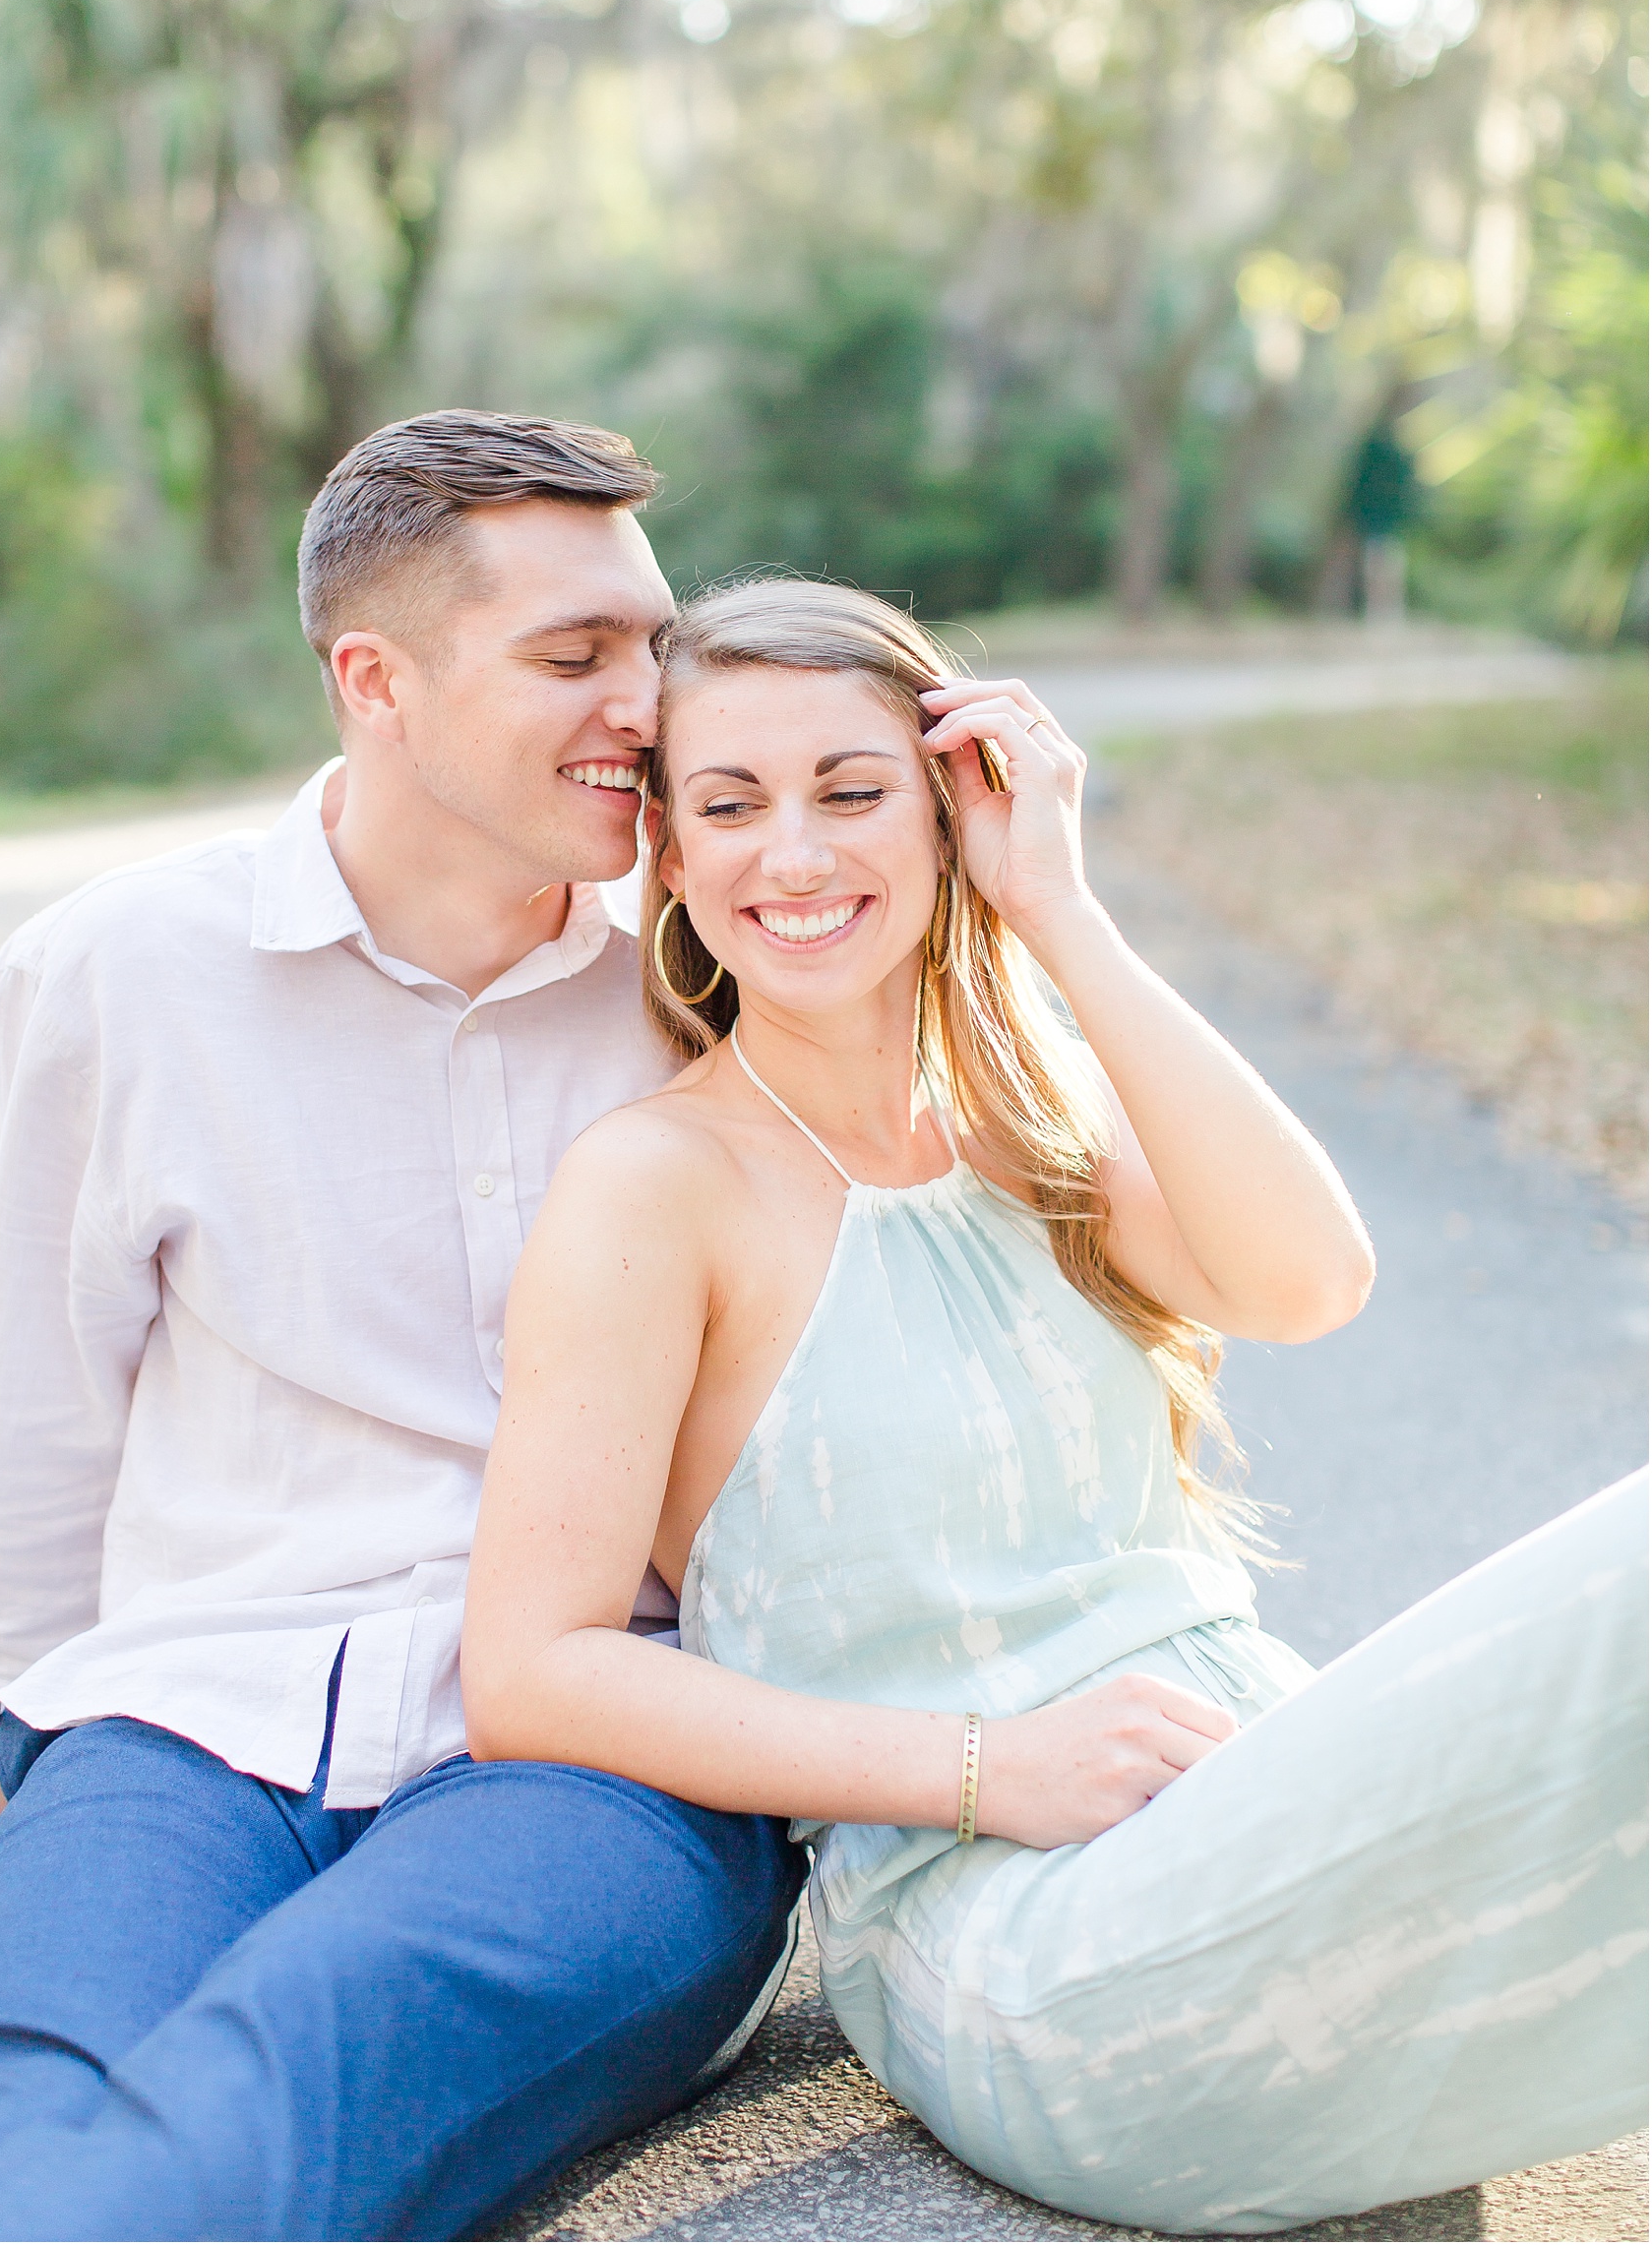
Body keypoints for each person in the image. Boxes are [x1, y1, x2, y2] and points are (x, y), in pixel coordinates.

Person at [464, 576, 1648, 2238]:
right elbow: (530, 1668)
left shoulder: (1024, 1121)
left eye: (853, 791)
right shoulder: (656, 1185)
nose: (790, 855)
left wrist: (1064, 913)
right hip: (1042, 1953)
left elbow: (1312, 1280)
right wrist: (983, 1765)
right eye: (728, 805)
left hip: (1277, 1802)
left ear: (953, 814)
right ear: (670, 855)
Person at [0, 415, 806, 2243]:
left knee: (294, 2072)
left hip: (597, 1760)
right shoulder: (123, 968)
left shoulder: (718, 975)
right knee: (8, 2104)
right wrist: (4, 1758)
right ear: (371, 679)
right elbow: (53, 1409)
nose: (646, 700)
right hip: (182, 1718)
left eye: (651, 641)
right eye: (574, 656)